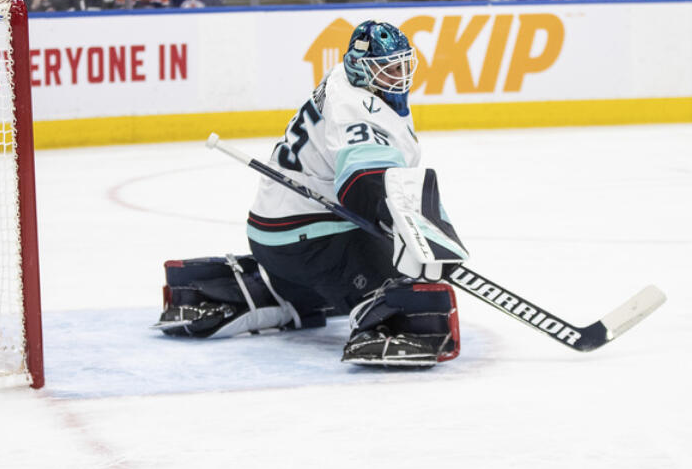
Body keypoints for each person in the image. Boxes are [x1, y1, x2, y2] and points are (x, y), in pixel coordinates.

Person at [153, 21, 468, 366]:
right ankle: (379, 323)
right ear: (361, 69)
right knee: (406, 290)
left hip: (276, 236)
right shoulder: (357, 108)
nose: (399, 74)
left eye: (402, 64)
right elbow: (364, 184)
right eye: (387, 68)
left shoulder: (341, 77)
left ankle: (273, 290)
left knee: (391, 259)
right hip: (308, 241)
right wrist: (409, 232)